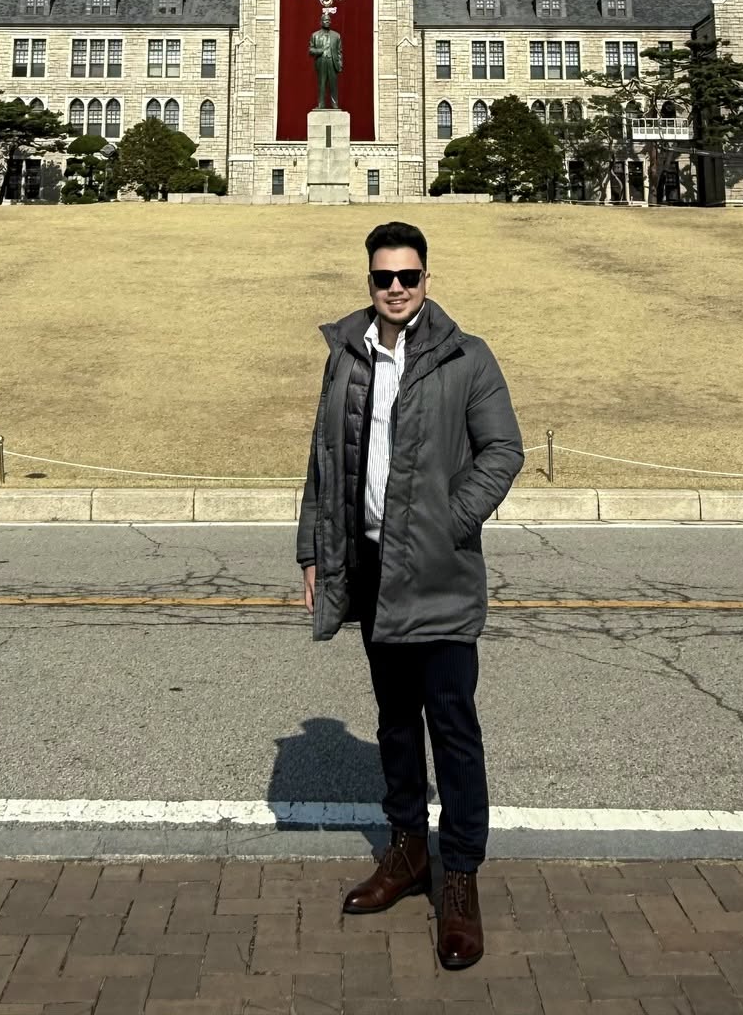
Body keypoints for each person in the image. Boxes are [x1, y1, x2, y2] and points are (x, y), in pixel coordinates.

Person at [296, 219, 524, 970]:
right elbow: (323, 458)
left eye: (408, 277)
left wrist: (448, 521)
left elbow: (504, 451)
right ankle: (406, 853)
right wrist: (314, 549)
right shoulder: (347, 354)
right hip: (367, 565)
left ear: (428, 279)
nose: (395, 289)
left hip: (440, 574)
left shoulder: (467, 356)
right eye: (383, 278)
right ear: (369, 281)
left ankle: (458, 877)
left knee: (452, 729)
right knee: (396, 723)